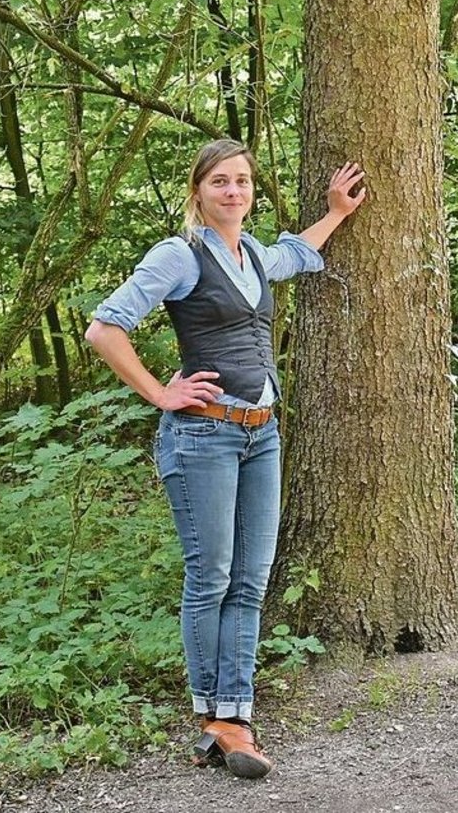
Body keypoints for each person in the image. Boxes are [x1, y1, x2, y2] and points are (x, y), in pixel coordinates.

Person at [85, 139, 365, 778]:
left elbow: (297, 254)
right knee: (210, 575)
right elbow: (105, 328)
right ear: (198, 191)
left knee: (250, 580)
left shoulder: (254, 254)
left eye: (242, 180)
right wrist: (160, 392)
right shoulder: (179, 255)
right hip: (202, 436)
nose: (233, 191)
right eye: (219, 181)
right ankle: (214, 716)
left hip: (262, 435)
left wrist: (335, 213)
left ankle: (233, 716)